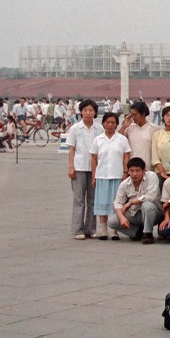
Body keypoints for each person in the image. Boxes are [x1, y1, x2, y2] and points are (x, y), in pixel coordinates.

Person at [90, 113, 131, 240]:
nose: (110, 125)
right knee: (102, 203)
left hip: (117, 175)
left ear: (116, 124)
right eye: (108, 122)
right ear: (103, 123)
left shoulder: (122, 139)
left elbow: (126, 157)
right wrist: (93, 176)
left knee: (115, 203)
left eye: (113, 122)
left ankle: (114, 231)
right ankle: (103, 231)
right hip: (102, 175)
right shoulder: (98, 139)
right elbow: (94, 159)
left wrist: (125, 172)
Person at [67, 99, 103, 240]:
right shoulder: (75, 128)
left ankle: (91, 228)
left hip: (95, 168)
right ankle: (77, 229)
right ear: (81, 112)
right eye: (85, 110)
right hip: (79, 167)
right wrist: (71, 166)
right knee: (79, 199)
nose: (88, 113)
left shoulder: (99, 129)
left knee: (93, 199)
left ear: (95, 112)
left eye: (91, 110)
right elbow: (71, 148)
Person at [108, 157, 161, 244]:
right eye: (131, 171)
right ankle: (137, 233)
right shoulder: (124, 184)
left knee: (147, 205)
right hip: (135, 214)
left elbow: (151, 196)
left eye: (137, 170)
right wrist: (121, 218)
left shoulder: (152, 176)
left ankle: (148, 233)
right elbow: (118, 202)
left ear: (144, 170)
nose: (134, 174)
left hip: (154, 213)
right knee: (112, 221)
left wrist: (131, 202)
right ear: (128, 171)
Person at [119, 101, 158, 171]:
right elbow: (116, 139)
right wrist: (124, 126)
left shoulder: (154, 129)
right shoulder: (129, 128)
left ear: (143, 114)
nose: (133, 117)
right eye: (132, 115)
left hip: (147, 168)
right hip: (131, 168)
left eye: (135, 115)